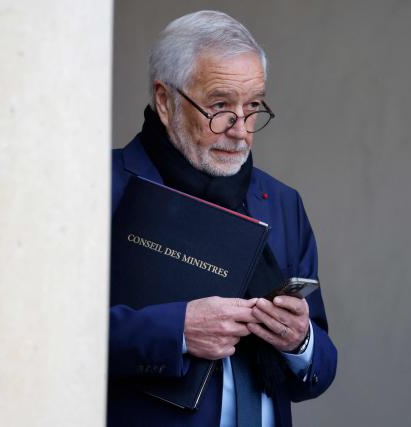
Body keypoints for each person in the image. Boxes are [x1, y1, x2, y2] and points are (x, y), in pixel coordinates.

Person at [108, 10, 337, 427]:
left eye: (252, 108)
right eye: (220, 106)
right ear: (165, 100)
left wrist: (300, 342)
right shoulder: (102, 189)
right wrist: (176, 329)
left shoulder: (282, 202)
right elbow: (49, 335)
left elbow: (319, 369)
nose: (241, 131)